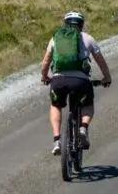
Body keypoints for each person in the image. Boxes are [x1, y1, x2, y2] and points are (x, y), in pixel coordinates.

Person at [41, 11, 113, 155]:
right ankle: (83, 128)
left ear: (65, 23)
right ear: (81, 24)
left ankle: (57, 140)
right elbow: (101, 61)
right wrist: (107, 77)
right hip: (80, 81)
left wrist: (45, 76)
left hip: (58, 80)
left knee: (56, 105)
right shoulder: (88, 38)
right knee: (87, 104)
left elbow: (46, 61)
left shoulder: (56, 38)